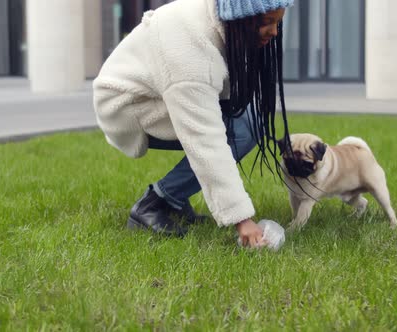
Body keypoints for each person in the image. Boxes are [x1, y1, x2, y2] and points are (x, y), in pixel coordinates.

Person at [93, 0, 294, 248]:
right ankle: (154, 204)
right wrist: (242, 219)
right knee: (240, 131)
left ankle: (175, 199)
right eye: (266, 23)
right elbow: (204, 138)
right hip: (127, 105)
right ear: (241, 17)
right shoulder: (188, 49)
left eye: (278, 22)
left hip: (156, 91)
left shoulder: (221, 20)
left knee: (250, 119)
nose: (274, 32)